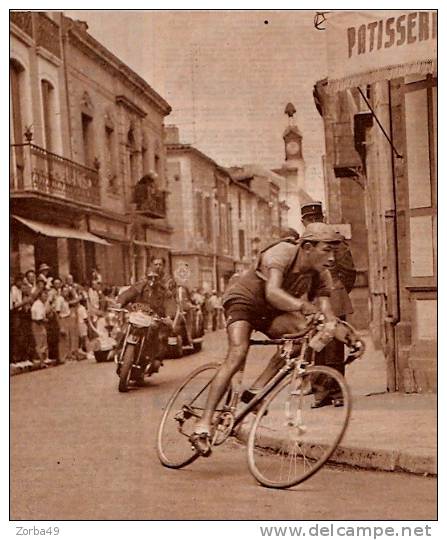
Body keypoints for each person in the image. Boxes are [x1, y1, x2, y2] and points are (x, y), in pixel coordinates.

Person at [190, 222, 347, 455]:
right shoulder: (281, 252)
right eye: (327, 250)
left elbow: (328, 313)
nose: (332, 258)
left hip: (272, 312)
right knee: (237, 353)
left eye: (335, 251)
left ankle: (255, 391)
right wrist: (302, 306)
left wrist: (348, 336)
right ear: (307, 246)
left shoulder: (322, 274)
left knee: (300, 337)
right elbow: (272, 292)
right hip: (244, 301)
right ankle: (202, 425)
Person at [300, 201, 356, 406]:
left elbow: (348, 271)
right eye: (310, 220)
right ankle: (322, 393)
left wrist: (338, 292)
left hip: (331, 296)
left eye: (316, 219)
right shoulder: (304, 242)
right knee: (318, 348)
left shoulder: (334, 241)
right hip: (316, 299)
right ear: (305, 221)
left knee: (331, 348)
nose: (313, 222)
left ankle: (335, 393)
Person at [115, 257, 176, 382]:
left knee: (160, 337)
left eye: (155, 278)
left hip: (154, 320)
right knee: (123, 329)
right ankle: (117, 350)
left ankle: (153, 360)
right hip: (138, 317)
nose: (152, 280)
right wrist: (119, 303)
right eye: (150, 277)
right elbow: (128, 294)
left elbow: (170, 303)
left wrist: (168, 317)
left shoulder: (164, 291)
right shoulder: (140, 286)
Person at [30, 289, 50, 367]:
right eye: (44, 296)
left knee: (43, 343)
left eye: (46, 296)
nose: (46, 297)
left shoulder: (41, 304)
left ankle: (43, 361)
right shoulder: (38, 304)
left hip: (40, 324)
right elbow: (39, 318)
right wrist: (46, 320)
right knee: (40, 343)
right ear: (40, 296)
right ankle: (41, 362)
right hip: (37, 325)